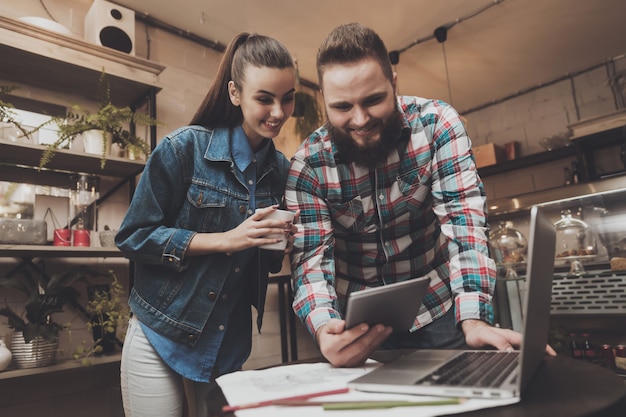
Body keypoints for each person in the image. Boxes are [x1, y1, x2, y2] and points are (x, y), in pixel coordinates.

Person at [285, 23, 539, 368]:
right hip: (358, 328)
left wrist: (474, 318)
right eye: (342, 107)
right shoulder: (307, 166)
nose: (360, 120)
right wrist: (323, 328)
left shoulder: (438, 126)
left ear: (394, 84)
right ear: (325, 102)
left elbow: (464, 222)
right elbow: (311, 262)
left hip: (440, 310)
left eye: (373, 100)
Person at [116, 32, 299, 417]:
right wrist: (226, 239)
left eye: (288, 98)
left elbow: (261, 265)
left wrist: (280, 244)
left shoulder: (281, 171)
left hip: (225, 340)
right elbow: (133, 237)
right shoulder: (183, 149)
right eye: (264, 98)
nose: (278, 112)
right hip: (161, 330)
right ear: (235, 93)